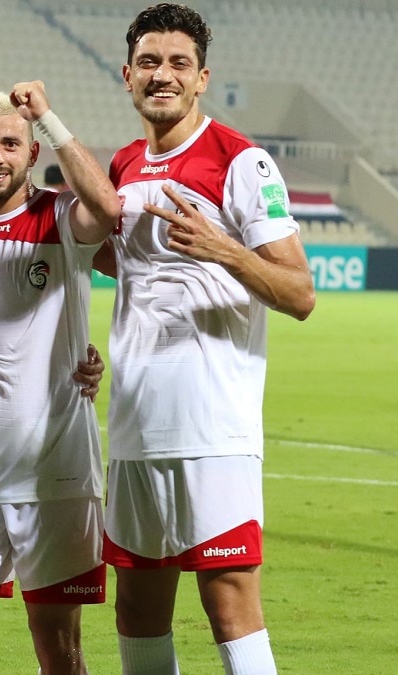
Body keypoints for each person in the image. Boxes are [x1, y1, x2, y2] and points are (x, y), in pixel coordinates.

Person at [104, 4, 315, 674]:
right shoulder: (124, 164)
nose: (162, 75)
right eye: (149, 62)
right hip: (133, 426)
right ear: (128, 74)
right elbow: (122, 264)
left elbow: (300, 294)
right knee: (137, 611)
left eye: (178, 63)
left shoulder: (241, 161)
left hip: (213, 431)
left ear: (201, 79)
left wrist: (223, 249)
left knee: (229, 607)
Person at [0, 84, 120, 674]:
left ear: (33, 152)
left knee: (58, 646)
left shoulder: (60, 216)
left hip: (55, 474)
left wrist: (46, 117)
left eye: (11, 144)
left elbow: (108, 210)